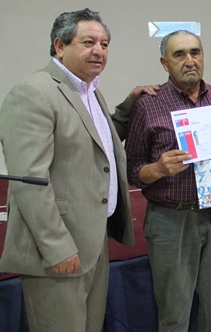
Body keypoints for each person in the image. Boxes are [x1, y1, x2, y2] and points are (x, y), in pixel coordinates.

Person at [0, 8, 134, 331]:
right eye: (88, 42)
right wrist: (57, 248)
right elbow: (31, 182)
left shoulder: (91, 92)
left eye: (104, 44)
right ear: (59, 46)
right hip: (56, 254)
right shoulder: (34, 93)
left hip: (94, 245)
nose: (99, 51)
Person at [125, 30, 211, 331]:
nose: (189, 60)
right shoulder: (148, 105)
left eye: (195, 52)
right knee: (174, 310)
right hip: (171, 220)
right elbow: (132, 169)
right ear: (164, 63)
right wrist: (158, 169)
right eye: (179, 54)